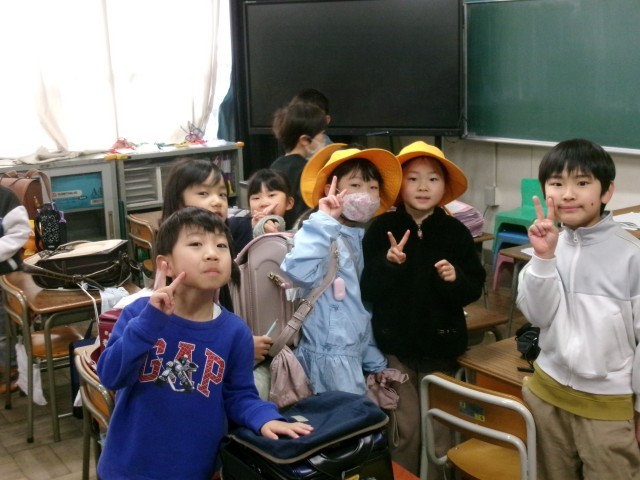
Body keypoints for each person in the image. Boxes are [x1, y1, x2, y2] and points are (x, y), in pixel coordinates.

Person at [97, 208, 313, 480]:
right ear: (166, 264)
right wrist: (149, 323)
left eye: (221, 245)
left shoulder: (235, 332)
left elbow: (239, 395)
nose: (212, 253)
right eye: (196, 244)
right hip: (127, 469)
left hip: (194, 469)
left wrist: (264, 417)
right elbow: (111, 375)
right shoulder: (139, 314)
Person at [517, 138, 640, 480]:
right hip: (546, 394)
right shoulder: (548, 246)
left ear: (607, 191)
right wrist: (543, 258)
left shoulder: (632, 256)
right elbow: (537, 317)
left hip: (607, 407)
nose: (568, 194)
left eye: (582, 183)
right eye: (557, 184)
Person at [361, 140, 486, 476]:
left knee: (440, 431)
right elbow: (367, 288)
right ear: (399, 186)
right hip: (395, 349)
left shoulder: (455, 232)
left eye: (432, 179)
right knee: (405, 429)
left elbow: (473, 287)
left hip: (442, 349)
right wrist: (388, 263)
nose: (422, 187)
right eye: (413, 178)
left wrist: (454, 279)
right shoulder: (381, 230)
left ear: (444, 187)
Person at [280, 143, 402, 395]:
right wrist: (325, 219)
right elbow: (298, 271)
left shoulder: (359, 237)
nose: (366, 194)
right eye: (355, 185)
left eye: (373, 188)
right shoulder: (320, 232)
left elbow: (358, 306)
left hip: (350, 355)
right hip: (326, 357)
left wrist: (374, 361)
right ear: (331, 189)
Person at [162, 157, 272, 361]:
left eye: (222, 194)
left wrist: (264, 223)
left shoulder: (227, 233)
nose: (217, 201)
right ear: (178, 202)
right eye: (204, 193)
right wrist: (239, 347)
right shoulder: (173, 257)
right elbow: (185, 337)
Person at [270, 102, 328, 228]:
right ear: (305, 140)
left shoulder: (275, 165)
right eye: (321, 134)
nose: (324, 139)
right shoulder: (309, 170)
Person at [0, 185, 31, 391]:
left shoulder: (5, 197)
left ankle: (9, 371)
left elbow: (20, 233)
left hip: (4, 273)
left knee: (3, 327)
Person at [227, 168, 295, 253]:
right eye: (256, 198)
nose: (264, 203)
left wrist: (275, 238)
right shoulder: (234, 226)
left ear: (289, 203)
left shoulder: (296, 235)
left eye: (271, 195)